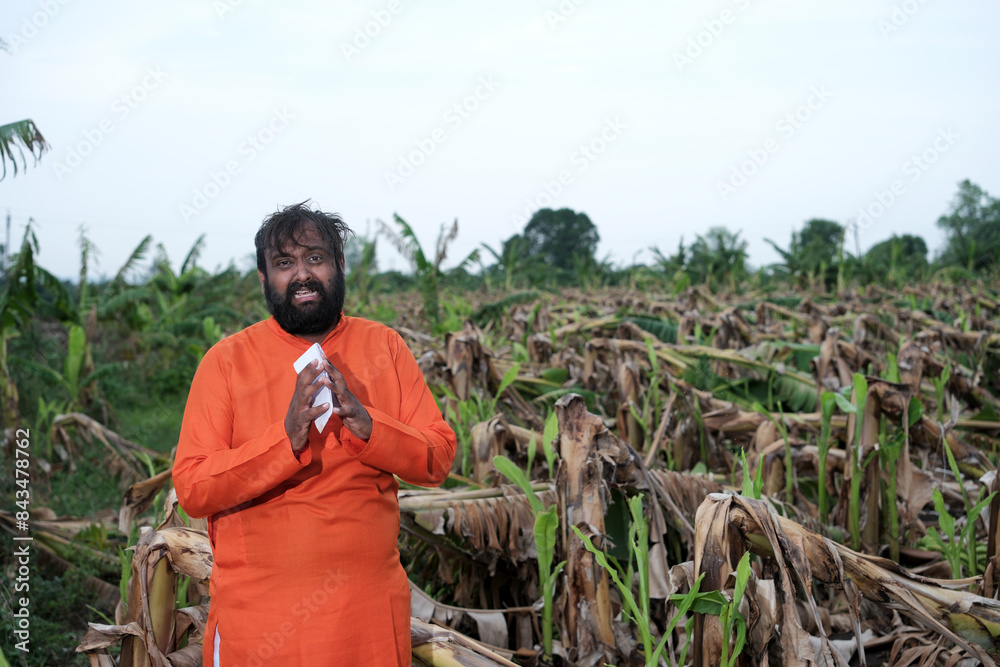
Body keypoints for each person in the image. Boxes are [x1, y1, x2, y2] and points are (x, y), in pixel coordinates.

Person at [172, 202, 457, 666]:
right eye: (284, 264)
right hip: (260, 623)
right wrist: (286, 441)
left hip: (366, 619)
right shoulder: (226, 362)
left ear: (339, 267)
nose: (302, 274)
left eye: (315, 258)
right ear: (264, 280)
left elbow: (438, 457)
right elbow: (194, 487)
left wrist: (370, 427)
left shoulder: (384, 345)